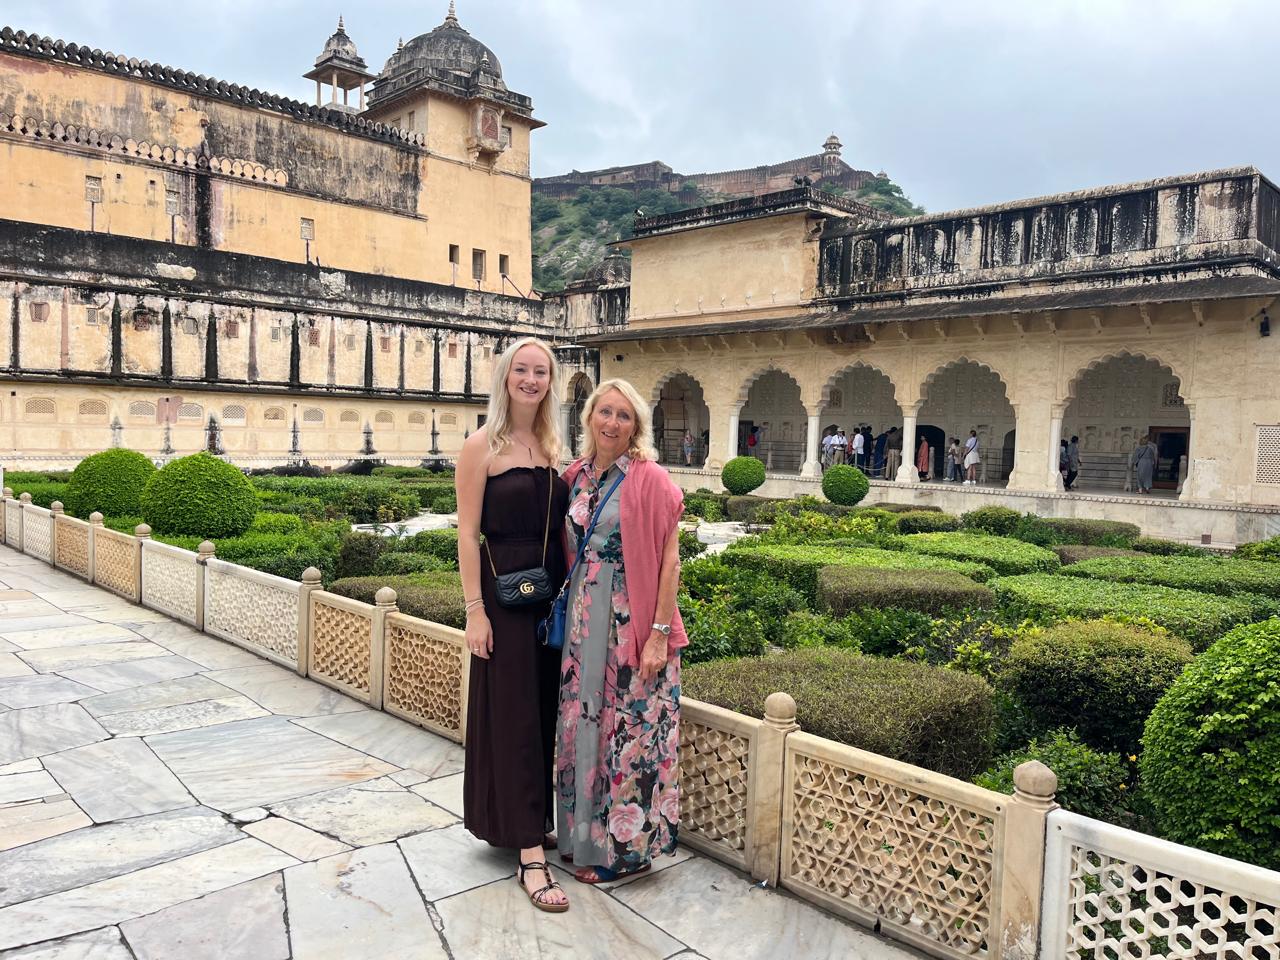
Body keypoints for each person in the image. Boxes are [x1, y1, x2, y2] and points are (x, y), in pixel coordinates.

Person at [456, 336, 571, 913]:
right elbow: (466, 534)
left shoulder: (551, 445)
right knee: (515, 716)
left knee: (544, 712)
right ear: (505, 377)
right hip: (504, 597)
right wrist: (475, 610)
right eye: (521, 370)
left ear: (550, 382)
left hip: (550, 595)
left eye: (541, 372)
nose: (531, 380)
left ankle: (527, 819)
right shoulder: (481, 445)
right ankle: (529, 854)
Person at [557, 379, 685, 884]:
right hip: (583, 619)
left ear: (636, 426)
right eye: (604, 412)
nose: (612, 423)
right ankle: (581, 840)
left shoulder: (650, 479)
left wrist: (659, 634)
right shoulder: (576, 475)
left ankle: (626, 853)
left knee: (630, 734)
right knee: (584, 724)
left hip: (632, 622)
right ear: (589, 416)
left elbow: (670, 561)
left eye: (624, 415)